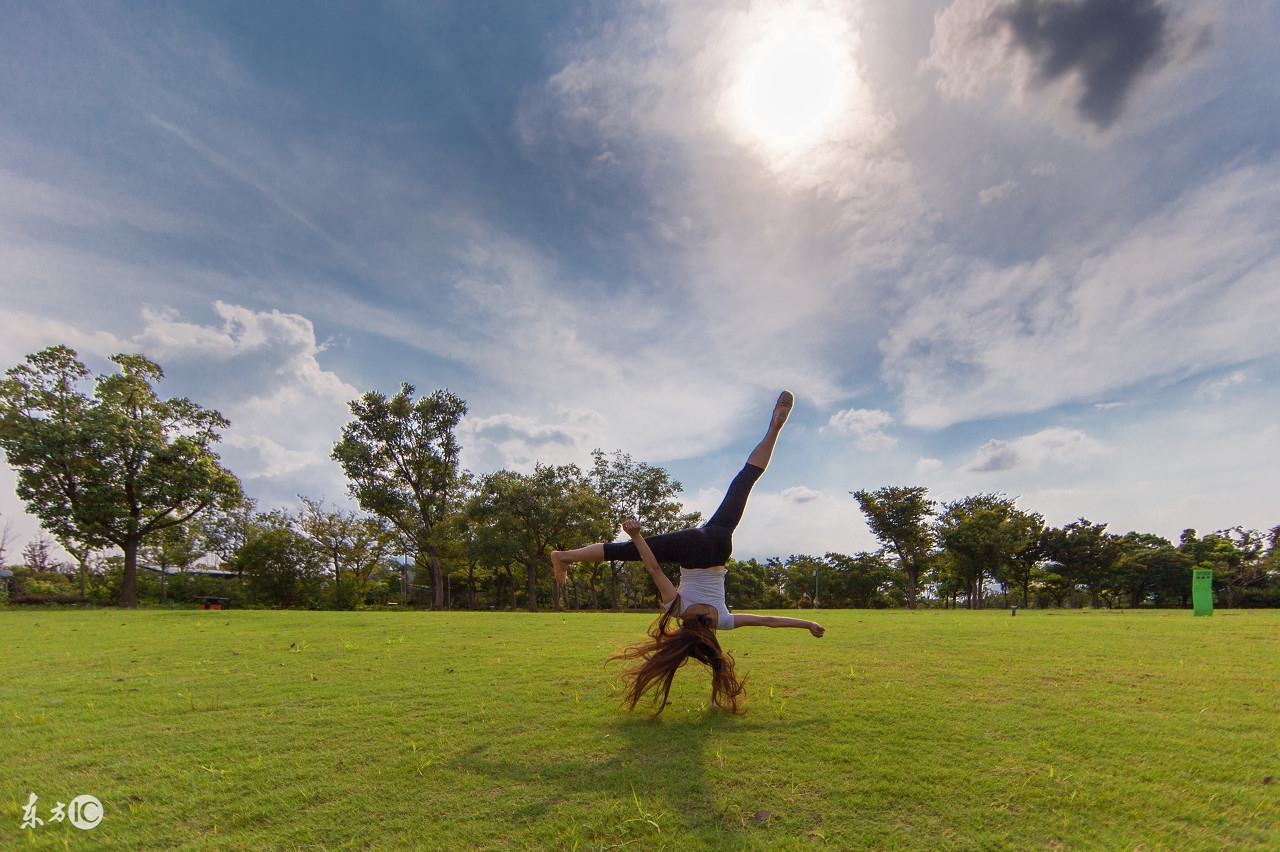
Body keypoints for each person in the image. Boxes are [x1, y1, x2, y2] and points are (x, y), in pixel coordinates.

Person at [551, 391, 824, 716]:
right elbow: (653, 569)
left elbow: (768, 621)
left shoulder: (721, 620)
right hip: (692, 544)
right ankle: (564, 556)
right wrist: (637, 537)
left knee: (744, 483)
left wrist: (808, 624)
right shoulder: (677, 610)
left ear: (706, 634)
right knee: (625, 550)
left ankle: (774, 429)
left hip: (719, 542)